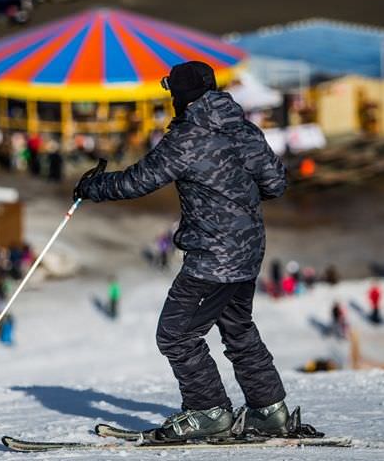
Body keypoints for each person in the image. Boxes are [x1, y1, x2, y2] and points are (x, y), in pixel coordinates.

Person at [74, 61, 297, 442]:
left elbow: (139, 180)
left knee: (176, 335)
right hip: (248, 251)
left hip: (214, 254)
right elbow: (275, 182)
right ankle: (268, 410)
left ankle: (208, 410)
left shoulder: (188, 137)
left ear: (181, 96)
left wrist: (94, 187)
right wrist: (234, 195)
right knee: (237, 328)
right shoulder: (243, 129)